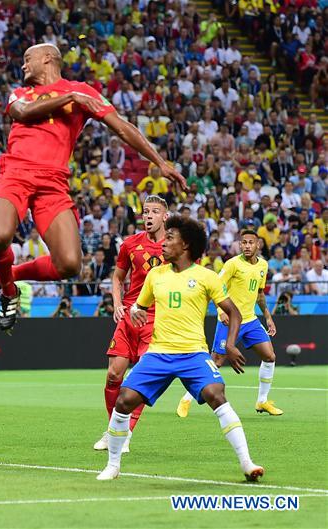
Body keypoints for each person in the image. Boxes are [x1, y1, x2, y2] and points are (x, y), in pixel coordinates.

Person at [0, 43, 185, 331]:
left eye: (27, 59)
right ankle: (9, 291)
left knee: (70, 264)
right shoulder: (22, 94)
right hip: (16, 173)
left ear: (47, 58)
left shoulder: (82, 90)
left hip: (54, 181)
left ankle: (4, 275)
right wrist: (69, 98)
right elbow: (22, 113)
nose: (23, 66)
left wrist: (160, 162)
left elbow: (121, 127)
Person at [97, 217, 263, 482]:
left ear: (185, 245)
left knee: (216, 394)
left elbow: (233, 312)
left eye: (170, 237)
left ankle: (247, 463)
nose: (164, 243)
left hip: (194, 353)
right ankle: (113, 466)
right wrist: (136, 311)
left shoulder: (206, 276)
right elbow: (139, 305)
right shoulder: (156, 275)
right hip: (158, 353)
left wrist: (230, 344)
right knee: (123, 400)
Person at [177, 229, 282, 417]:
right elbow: (215, 287)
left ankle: (262, 401)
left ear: (258, 245)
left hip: (250, 320)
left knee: (270, 356)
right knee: (216, 362)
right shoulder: (233, 264)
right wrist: (220, 310)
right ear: (240, 245)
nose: (247, 246)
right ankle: (186, 399)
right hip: (230, 320)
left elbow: (259, 293)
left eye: (251, 242)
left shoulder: (263, 266)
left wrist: (267, 316)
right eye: (244, 243)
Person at [93, 195, 167, 454]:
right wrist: (117, 303)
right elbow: (118, 277)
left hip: (157, 319)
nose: (149, 216)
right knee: (114, 374)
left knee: (140, 378)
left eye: (155, 211)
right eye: (146, 211)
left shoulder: (175, 247)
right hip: (129, 316)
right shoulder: (130, 244)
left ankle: (124, 433)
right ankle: (113, 428)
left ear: (165, 216)